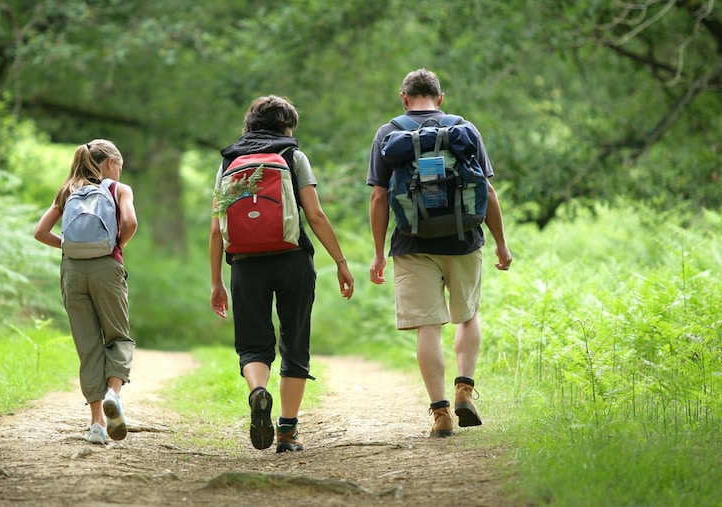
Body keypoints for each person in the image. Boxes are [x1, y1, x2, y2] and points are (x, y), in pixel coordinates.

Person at [366, 69, 512, 438]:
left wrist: (379, 253)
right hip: (464, 239)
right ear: (440, 98)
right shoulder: (464, 129)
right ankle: (464, 388)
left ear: (403, 97)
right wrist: (501, 243)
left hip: (413, 243)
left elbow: (379, 196)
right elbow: (487, 191)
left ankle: (441, 413)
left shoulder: (389, 134)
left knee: (428, 326)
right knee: (467, 315)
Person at [209, 95, 355, 453]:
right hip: (293, 260)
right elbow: (316, 215)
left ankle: (259, 391)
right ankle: (287, 432)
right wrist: (340, 261)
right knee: (295, 340)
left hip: (244, 264)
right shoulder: (293, 157)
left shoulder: (230, 161)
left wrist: (216, 282)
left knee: (253, 343)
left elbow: (216, 228)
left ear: (250, 124)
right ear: (287, 126)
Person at [34, 139, 138, 445]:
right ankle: (113, 394)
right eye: (119, 166)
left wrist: (67, 246)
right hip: (107, 267)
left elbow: (40, 232)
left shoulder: (67, 190)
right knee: (118, 336)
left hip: (73, 272)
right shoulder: (118, 189)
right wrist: (118, 245)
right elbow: (130, 222)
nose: (120, 171)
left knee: (88, 346)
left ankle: (96, 425)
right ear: (110, 163)